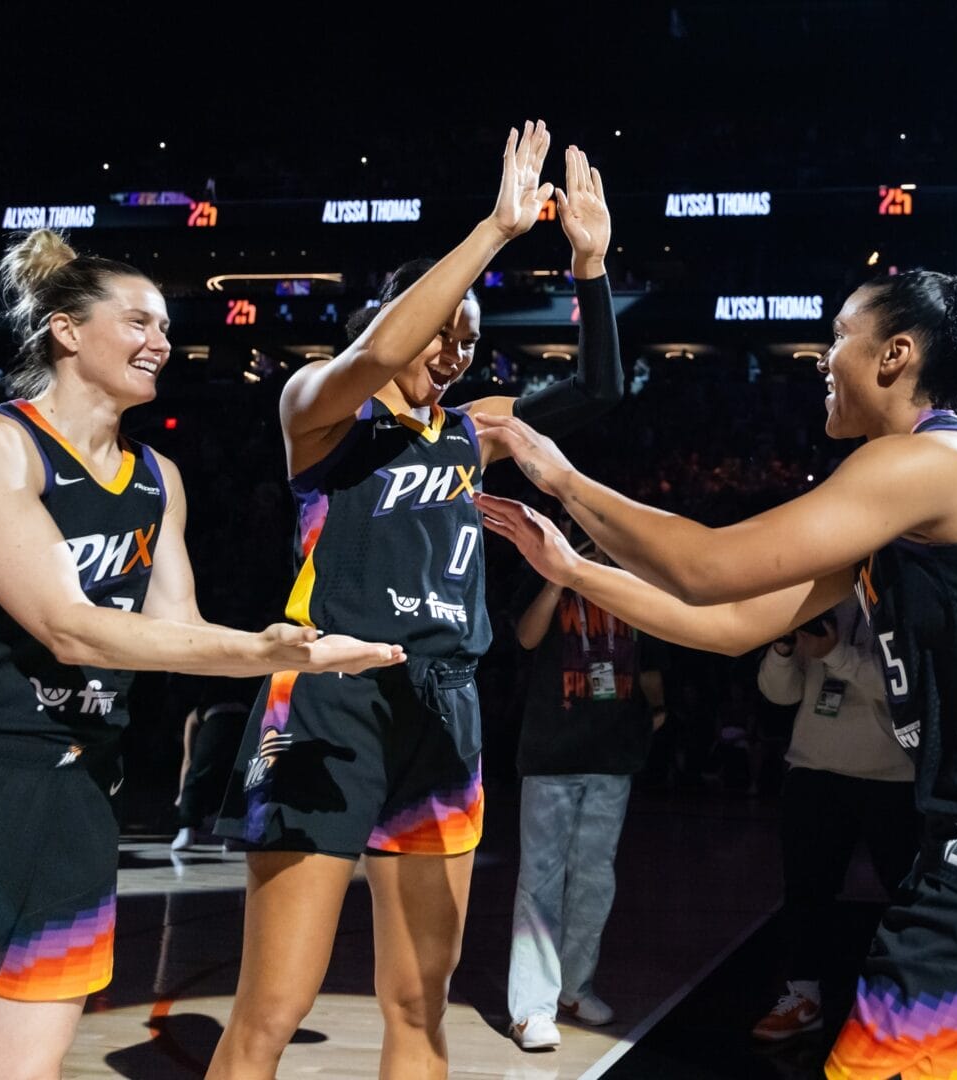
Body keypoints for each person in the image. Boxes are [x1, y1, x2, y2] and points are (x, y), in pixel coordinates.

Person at [475, 266, 957, 1080]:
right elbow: (724, 627)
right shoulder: (894, 490)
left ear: (895, 354)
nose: (820, 358)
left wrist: (554, 470)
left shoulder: (932, 462)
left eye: (837, 338)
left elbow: (707, 566)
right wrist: (575, 572)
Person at [0, 229, 404, 1080]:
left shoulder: (157, 476)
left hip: (81, 784)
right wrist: (261, 649)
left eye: (165, 326)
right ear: (65, 330)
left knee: (25, 1066)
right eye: (137, 321)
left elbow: (182, 635)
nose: (160, 341)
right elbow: (68, 623)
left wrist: (299, 654)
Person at [209, 125, 625, 1079]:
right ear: (395, 316)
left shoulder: (472, 431)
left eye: (469, 342)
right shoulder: (317, 412)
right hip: (326, 700)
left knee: (418, 1008)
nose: (453, 351)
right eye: (442, 330)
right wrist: (492, 231)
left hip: (443, 705)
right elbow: (380, 348)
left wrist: (591, 269)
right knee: (272, 1009)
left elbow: (599, 387)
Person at [506, 542, 666, 1051]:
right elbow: (527, 638)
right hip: (552, 753)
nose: (596, 544)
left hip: (613, 755)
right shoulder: (543, 574)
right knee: (541, 881)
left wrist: (657, 710)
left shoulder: (633, 581)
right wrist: (558, 576)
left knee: (596, 880)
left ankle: (574, 989)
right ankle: (531, 1009)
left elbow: (651, 660)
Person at [750, 600, 917, 1043]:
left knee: (906, 894)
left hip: (893, 776)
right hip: (815, 769)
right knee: (805, 892)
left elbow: (906, 689)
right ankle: (803, 996)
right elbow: (779, 693)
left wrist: (835, 653)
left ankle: (916, 1001)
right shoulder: (822, 597)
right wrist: (784, 649)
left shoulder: (903, 598)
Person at [172, 675, 253, 851]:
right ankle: (232, 833)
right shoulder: (239, 705)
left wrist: (182, 794)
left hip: (219, 726)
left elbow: (188, 760)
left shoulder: (196, 714)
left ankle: (187, 829)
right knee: (238, 780)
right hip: (245, 725)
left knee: (197, 776)